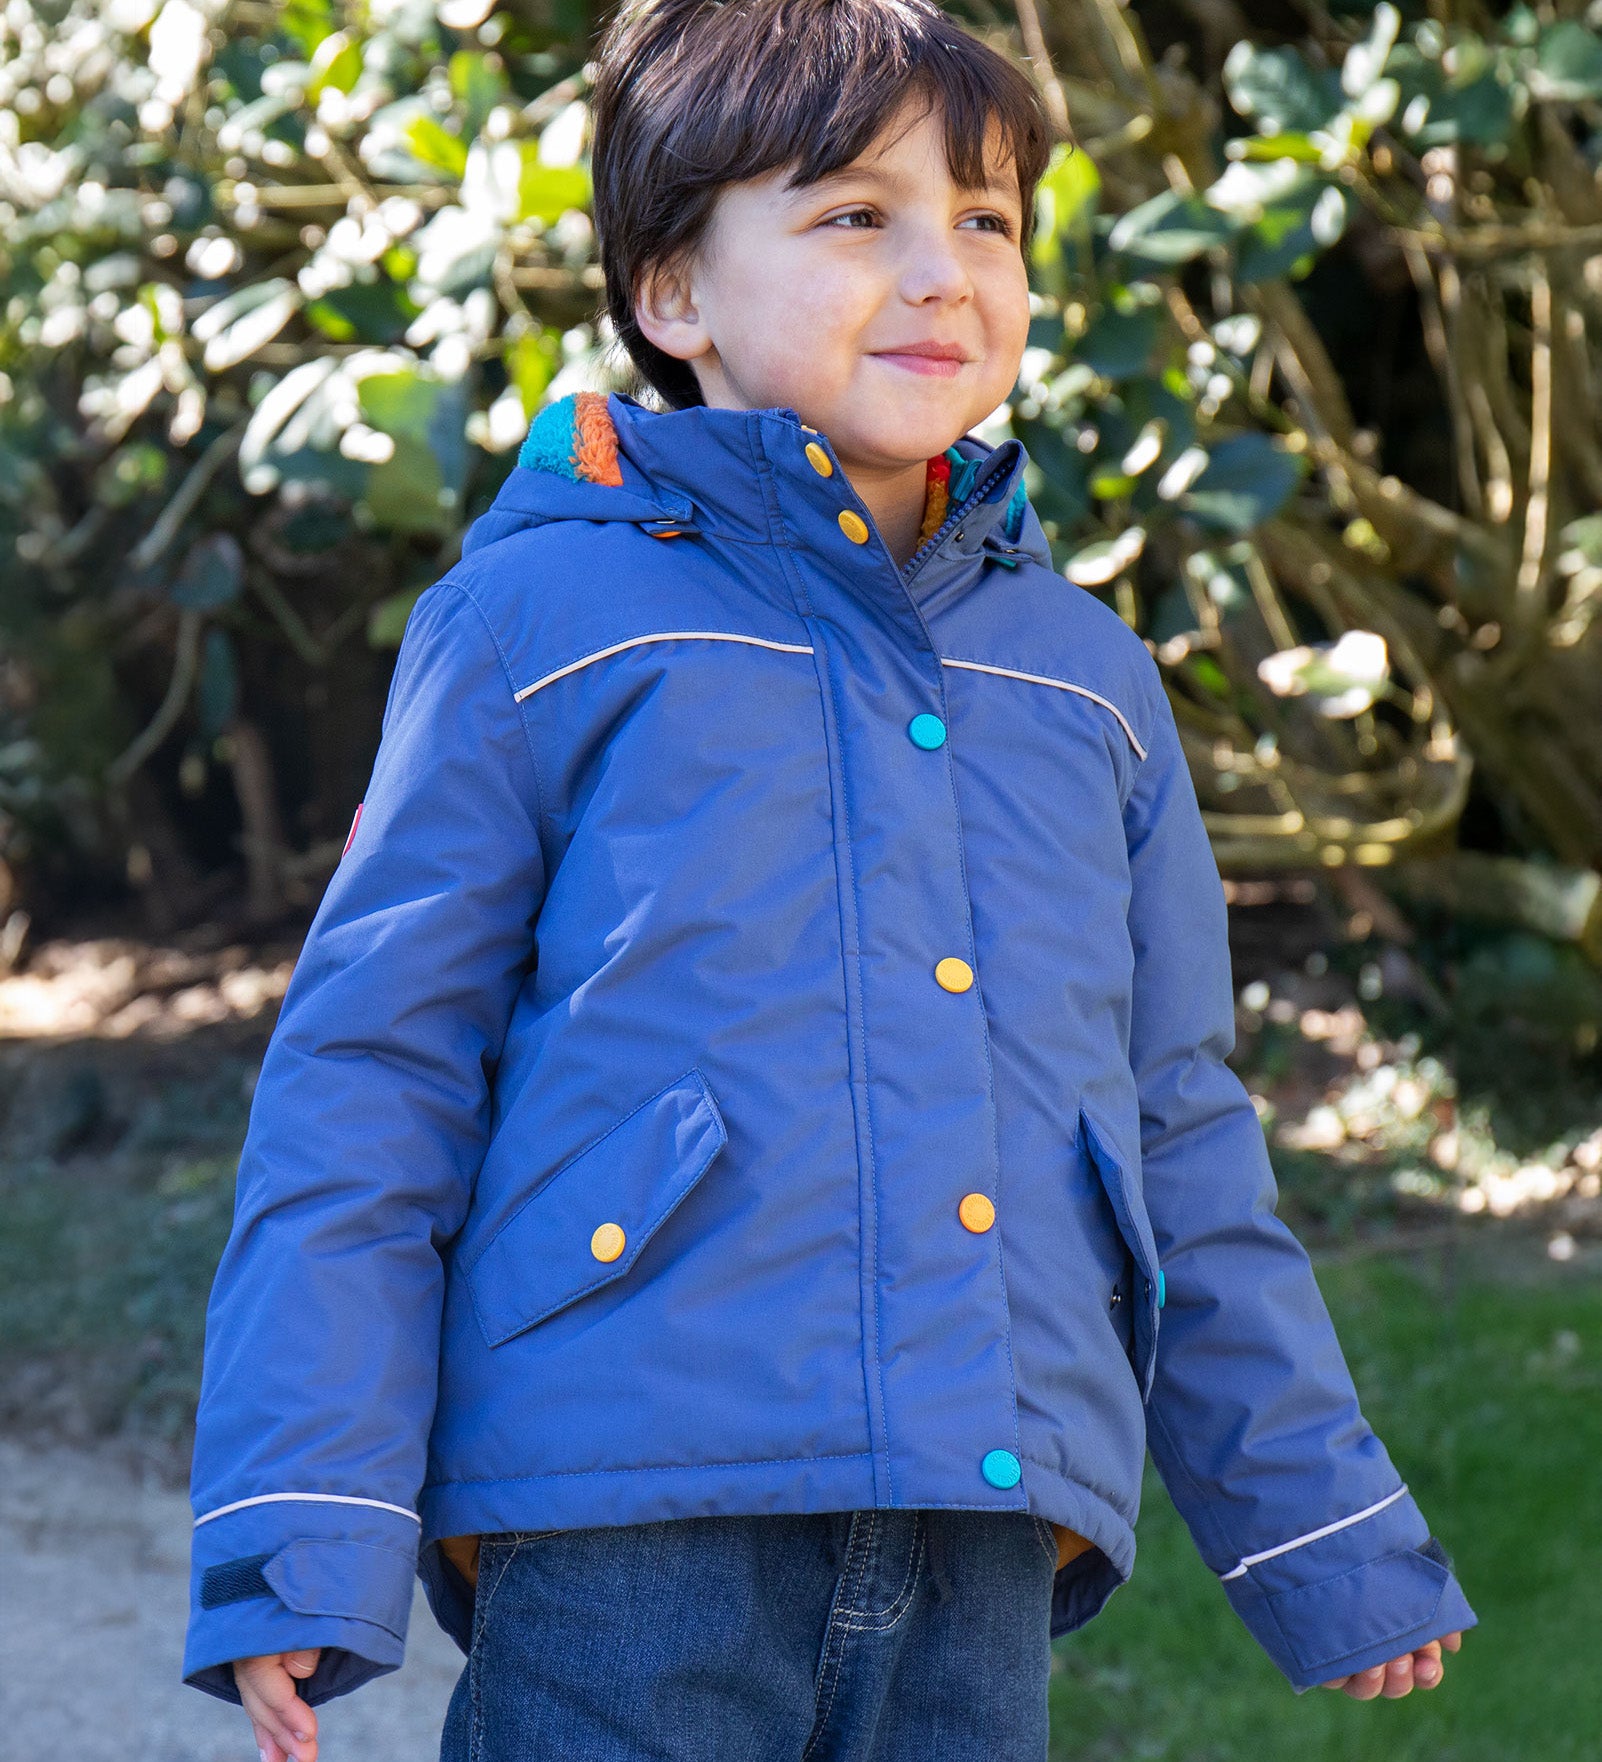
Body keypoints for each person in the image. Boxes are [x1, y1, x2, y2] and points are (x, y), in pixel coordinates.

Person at [182, 0, 1475, 1756]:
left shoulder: (1081, 682)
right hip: (630, 1518)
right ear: (674, 296)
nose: (943, 270)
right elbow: (369, 1086)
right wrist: (302, 1535)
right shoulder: (535, 631)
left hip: (983, 1532)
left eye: (989, 219)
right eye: (857, 215)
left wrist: (1325, 1540)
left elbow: (1174, 1128)